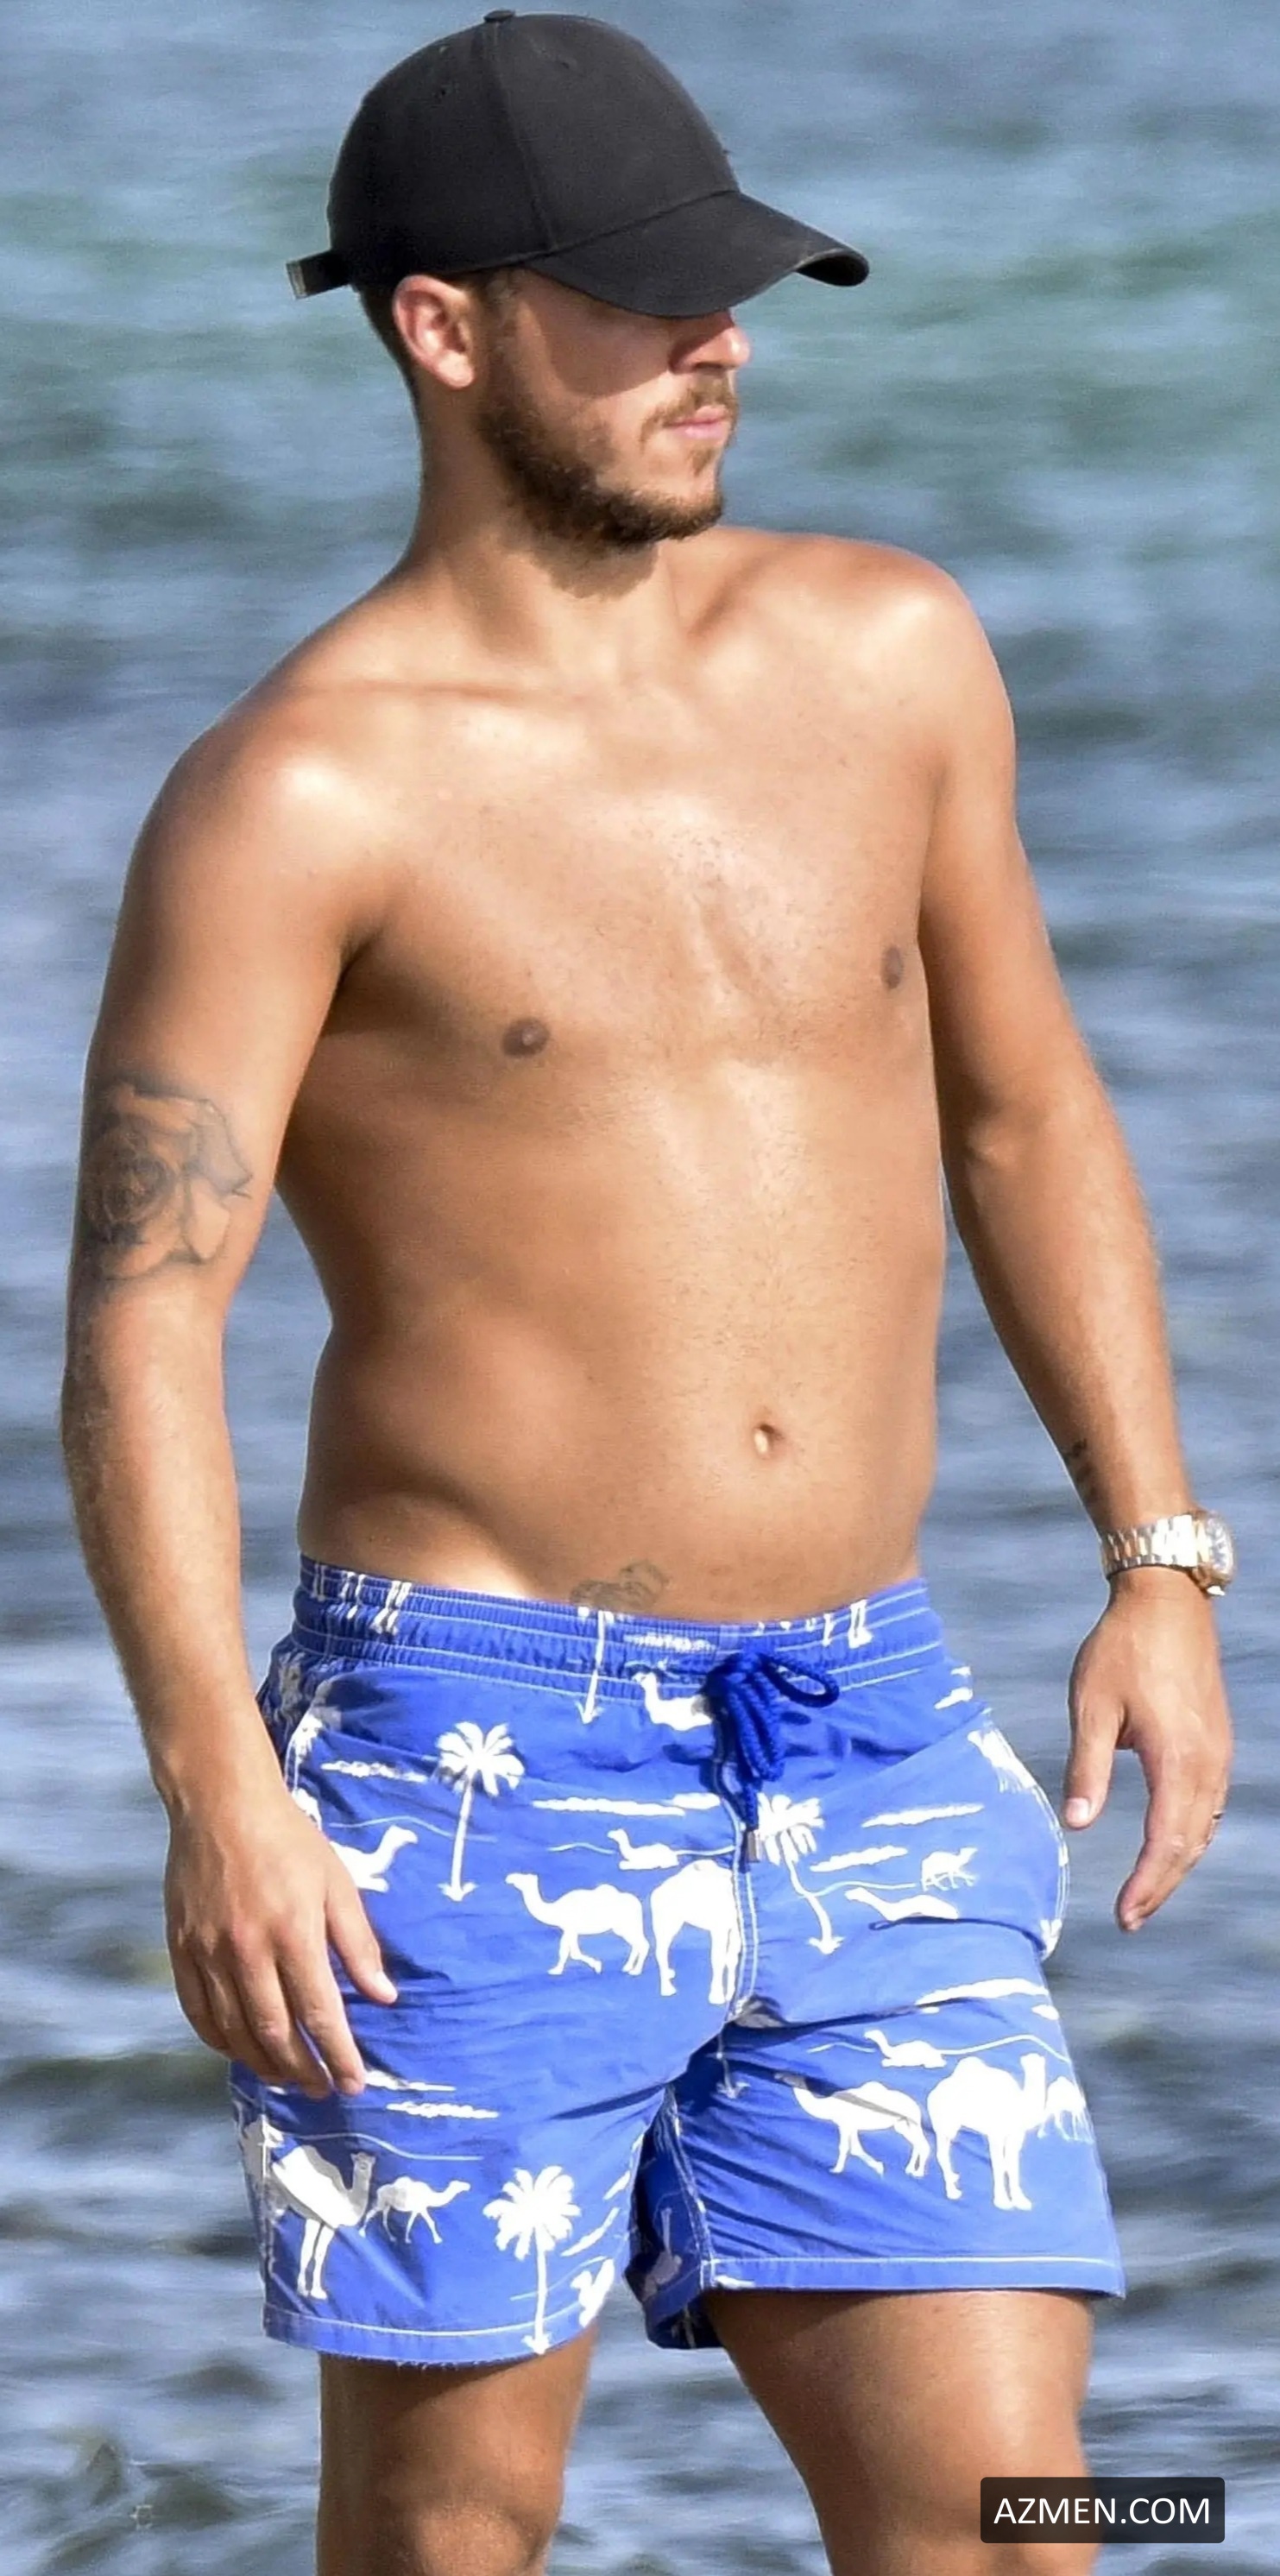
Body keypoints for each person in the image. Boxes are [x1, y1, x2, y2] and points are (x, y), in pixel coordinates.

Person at [61, 15, 1234, 2575]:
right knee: (456, 2538)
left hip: (869, 1726)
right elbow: (146, 1314)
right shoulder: (300, 791)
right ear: (442, 328)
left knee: (1033, 2519)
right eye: (642, 298)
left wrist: (1157, 1557)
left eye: (735, 292)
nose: (720, 345)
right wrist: (218, 1796)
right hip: (467, 1762)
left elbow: (1026, 1111)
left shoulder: (890, 655)